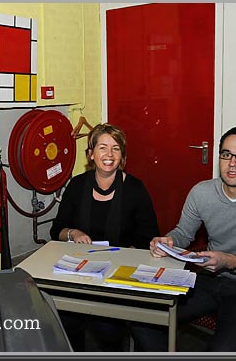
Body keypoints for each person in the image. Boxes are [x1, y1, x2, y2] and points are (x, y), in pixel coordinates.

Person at [142, 125, 236, 351]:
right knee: (146, 321)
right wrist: (168, 242)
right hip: (208, 280)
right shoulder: (202, 192)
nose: (232, 163)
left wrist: (233, 261)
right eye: (226, 154)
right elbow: (183, 233)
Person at [49, 123, 160, 351]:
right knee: (65, 322)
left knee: (107, 330)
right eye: (102, 148)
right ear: (91, 154)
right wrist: (73, 232)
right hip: (78, 274)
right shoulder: (77, 185)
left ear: (122, 155)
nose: (109, 154)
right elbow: (56, 230)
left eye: (116, 148)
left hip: (117, 276)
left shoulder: (135, 189)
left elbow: (148, 238)